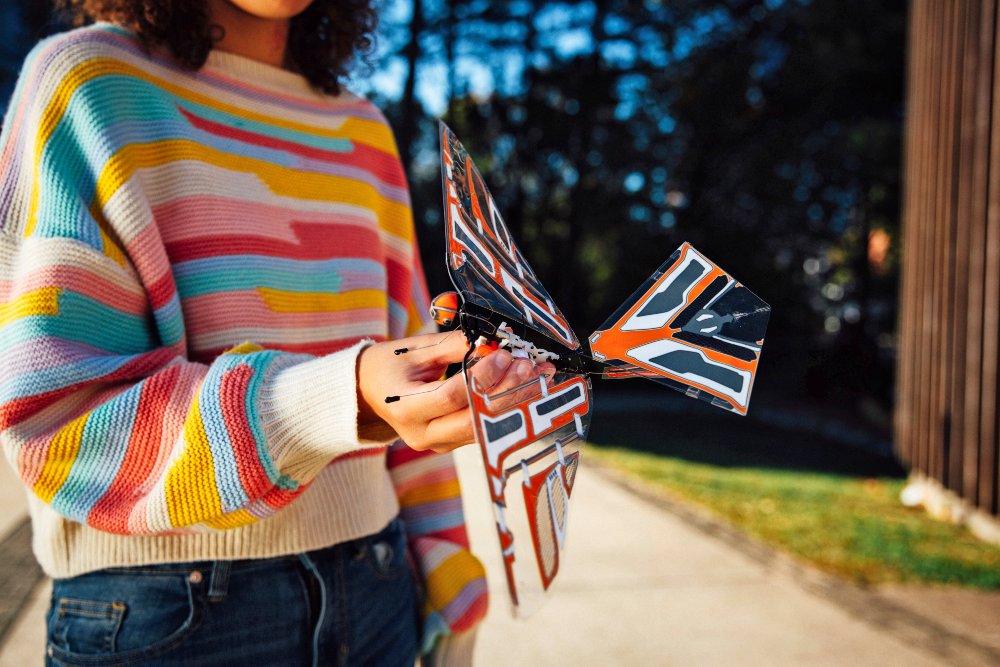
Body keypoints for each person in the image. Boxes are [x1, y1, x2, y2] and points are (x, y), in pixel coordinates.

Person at [0, 1, 550, 664]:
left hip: (377, 590)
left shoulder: (364, 133)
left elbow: (411, 365)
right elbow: (59, 414)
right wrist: (338, 397)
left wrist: (451, 574)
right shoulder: (85, 85)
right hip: (163, 615)